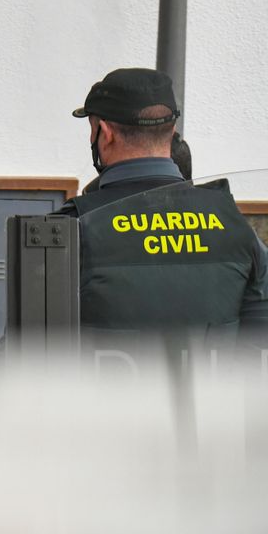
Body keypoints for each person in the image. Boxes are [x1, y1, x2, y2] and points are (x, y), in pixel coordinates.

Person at [59, 68, 268, 350]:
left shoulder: (69, 227)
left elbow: (27, 355)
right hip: (211, 394)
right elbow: (258, 346)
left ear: (105, 134)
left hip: (103, 394)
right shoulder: (235, 226)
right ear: (172, 133)